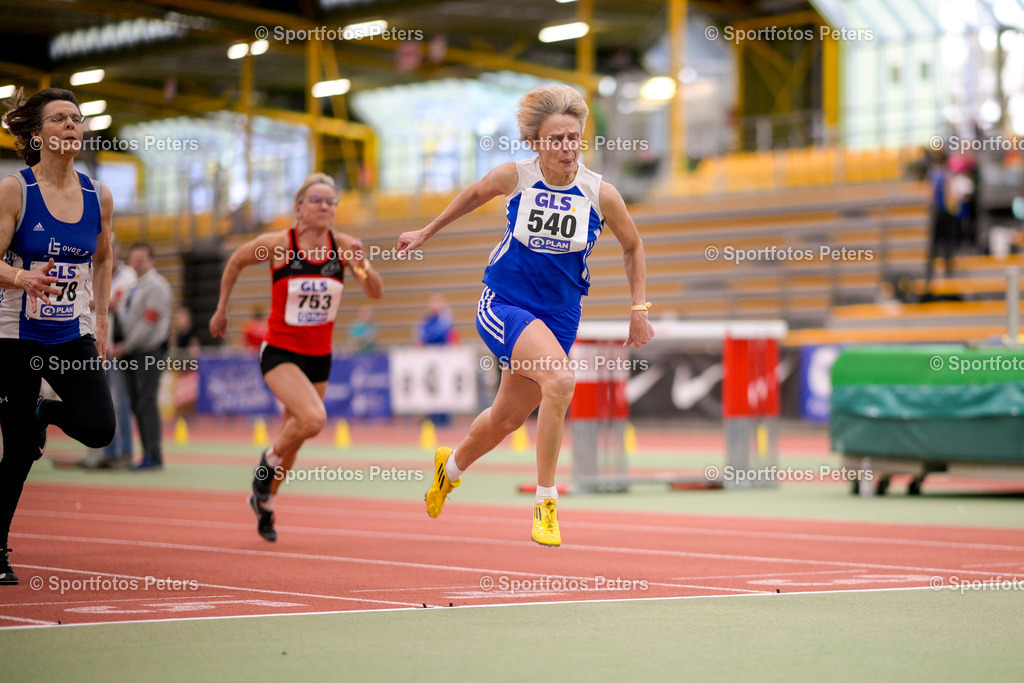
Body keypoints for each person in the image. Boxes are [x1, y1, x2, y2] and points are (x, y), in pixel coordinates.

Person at [397, 85, 654, 547]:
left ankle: (449, 468)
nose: (566, 148)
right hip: (505, 304)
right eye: (556, 139)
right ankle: (546, 501)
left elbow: (633, 245)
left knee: (505, 420)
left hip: (559, 317)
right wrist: (426, 231)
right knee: (561, 382)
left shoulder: (600, 193)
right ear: (536, 143)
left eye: (573, 137)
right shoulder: (516, 176)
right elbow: (473, 195)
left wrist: (639, 307)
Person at [210, 173, 383, 542]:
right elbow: (235, 263)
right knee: (314, 419)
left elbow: (375, 292)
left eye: (332, 201)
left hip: (319, 356)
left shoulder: (345, 246)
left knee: (298, 434)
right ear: (299, 208)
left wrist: (362, 265)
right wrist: (221, 309)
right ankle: (267, 461)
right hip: (280, 352)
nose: (325, 206)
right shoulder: (278, 246)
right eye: (318, 199)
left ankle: (265, 502)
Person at [0, 87, 116, 584]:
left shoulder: (98, 195)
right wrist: (22, 277)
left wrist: (103, 318)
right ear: (37, 134)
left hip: (70, 333)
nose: (71, 125)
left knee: (99, 428)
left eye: (77, 118)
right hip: (16, 336)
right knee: (19, 450)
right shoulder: (14, 190)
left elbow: (105, 256)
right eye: (60, 119)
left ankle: (46, 412)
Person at [111, 242, 172, 470]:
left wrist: (125, 346)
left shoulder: (156, 286)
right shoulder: (134, 286)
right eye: (134, 259)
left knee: (146, 403)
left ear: (151, 261)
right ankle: (147, 454)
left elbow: (149, 324)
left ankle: (153, 457)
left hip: (148, 351)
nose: (136, 263)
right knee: (137, 404)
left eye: (141, 259)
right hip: (131, 351)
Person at [80, 237, 136, 469]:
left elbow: (117, 305)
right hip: (91, 345)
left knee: (119, 403)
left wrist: (95, 303)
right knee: (92, 401)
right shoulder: (91, 270)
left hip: (117, 348)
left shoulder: (129, 276)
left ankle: (123, 453)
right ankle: (102, 453)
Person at [417, 293, 457, 426]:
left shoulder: (445, 320)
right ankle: (431, 415)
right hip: (430, 360)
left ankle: (445, 416)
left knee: (445, 385)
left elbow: (438, 335)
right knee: (430, 386)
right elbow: (422, 336)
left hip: (444, 360)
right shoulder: (427, 320)